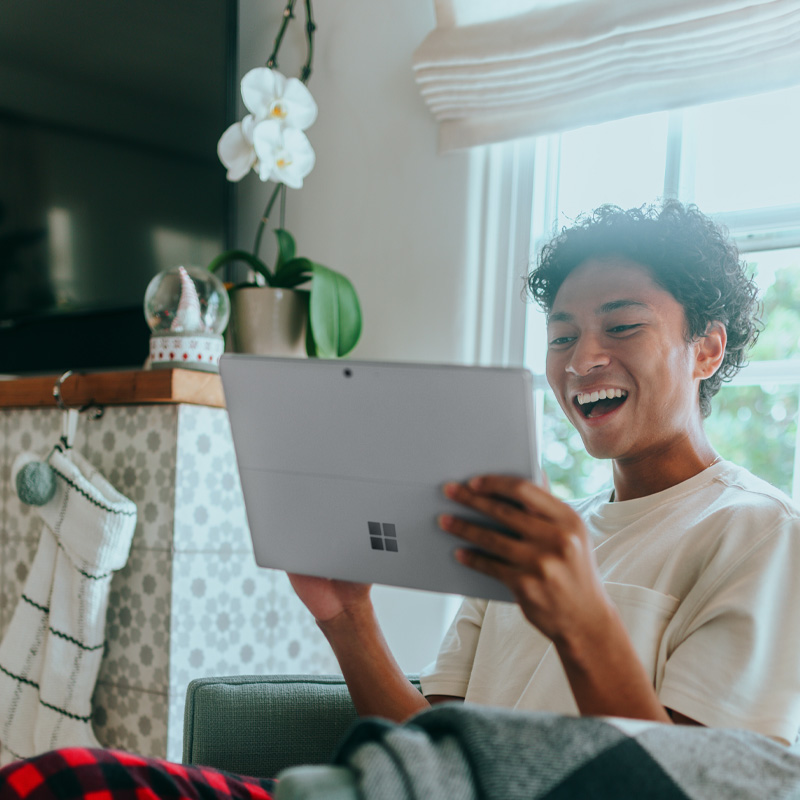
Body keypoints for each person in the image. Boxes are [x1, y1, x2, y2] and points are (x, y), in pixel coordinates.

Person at [4, 200, 799, 799]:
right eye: (561, 336)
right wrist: (347, 619)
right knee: (57, 779)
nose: (583, 358)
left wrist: (581, 619)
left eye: (621, 327)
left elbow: (688, 789)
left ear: (708, 347)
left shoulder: (758, 535)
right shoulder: (529, 533)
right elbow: (434, 743)